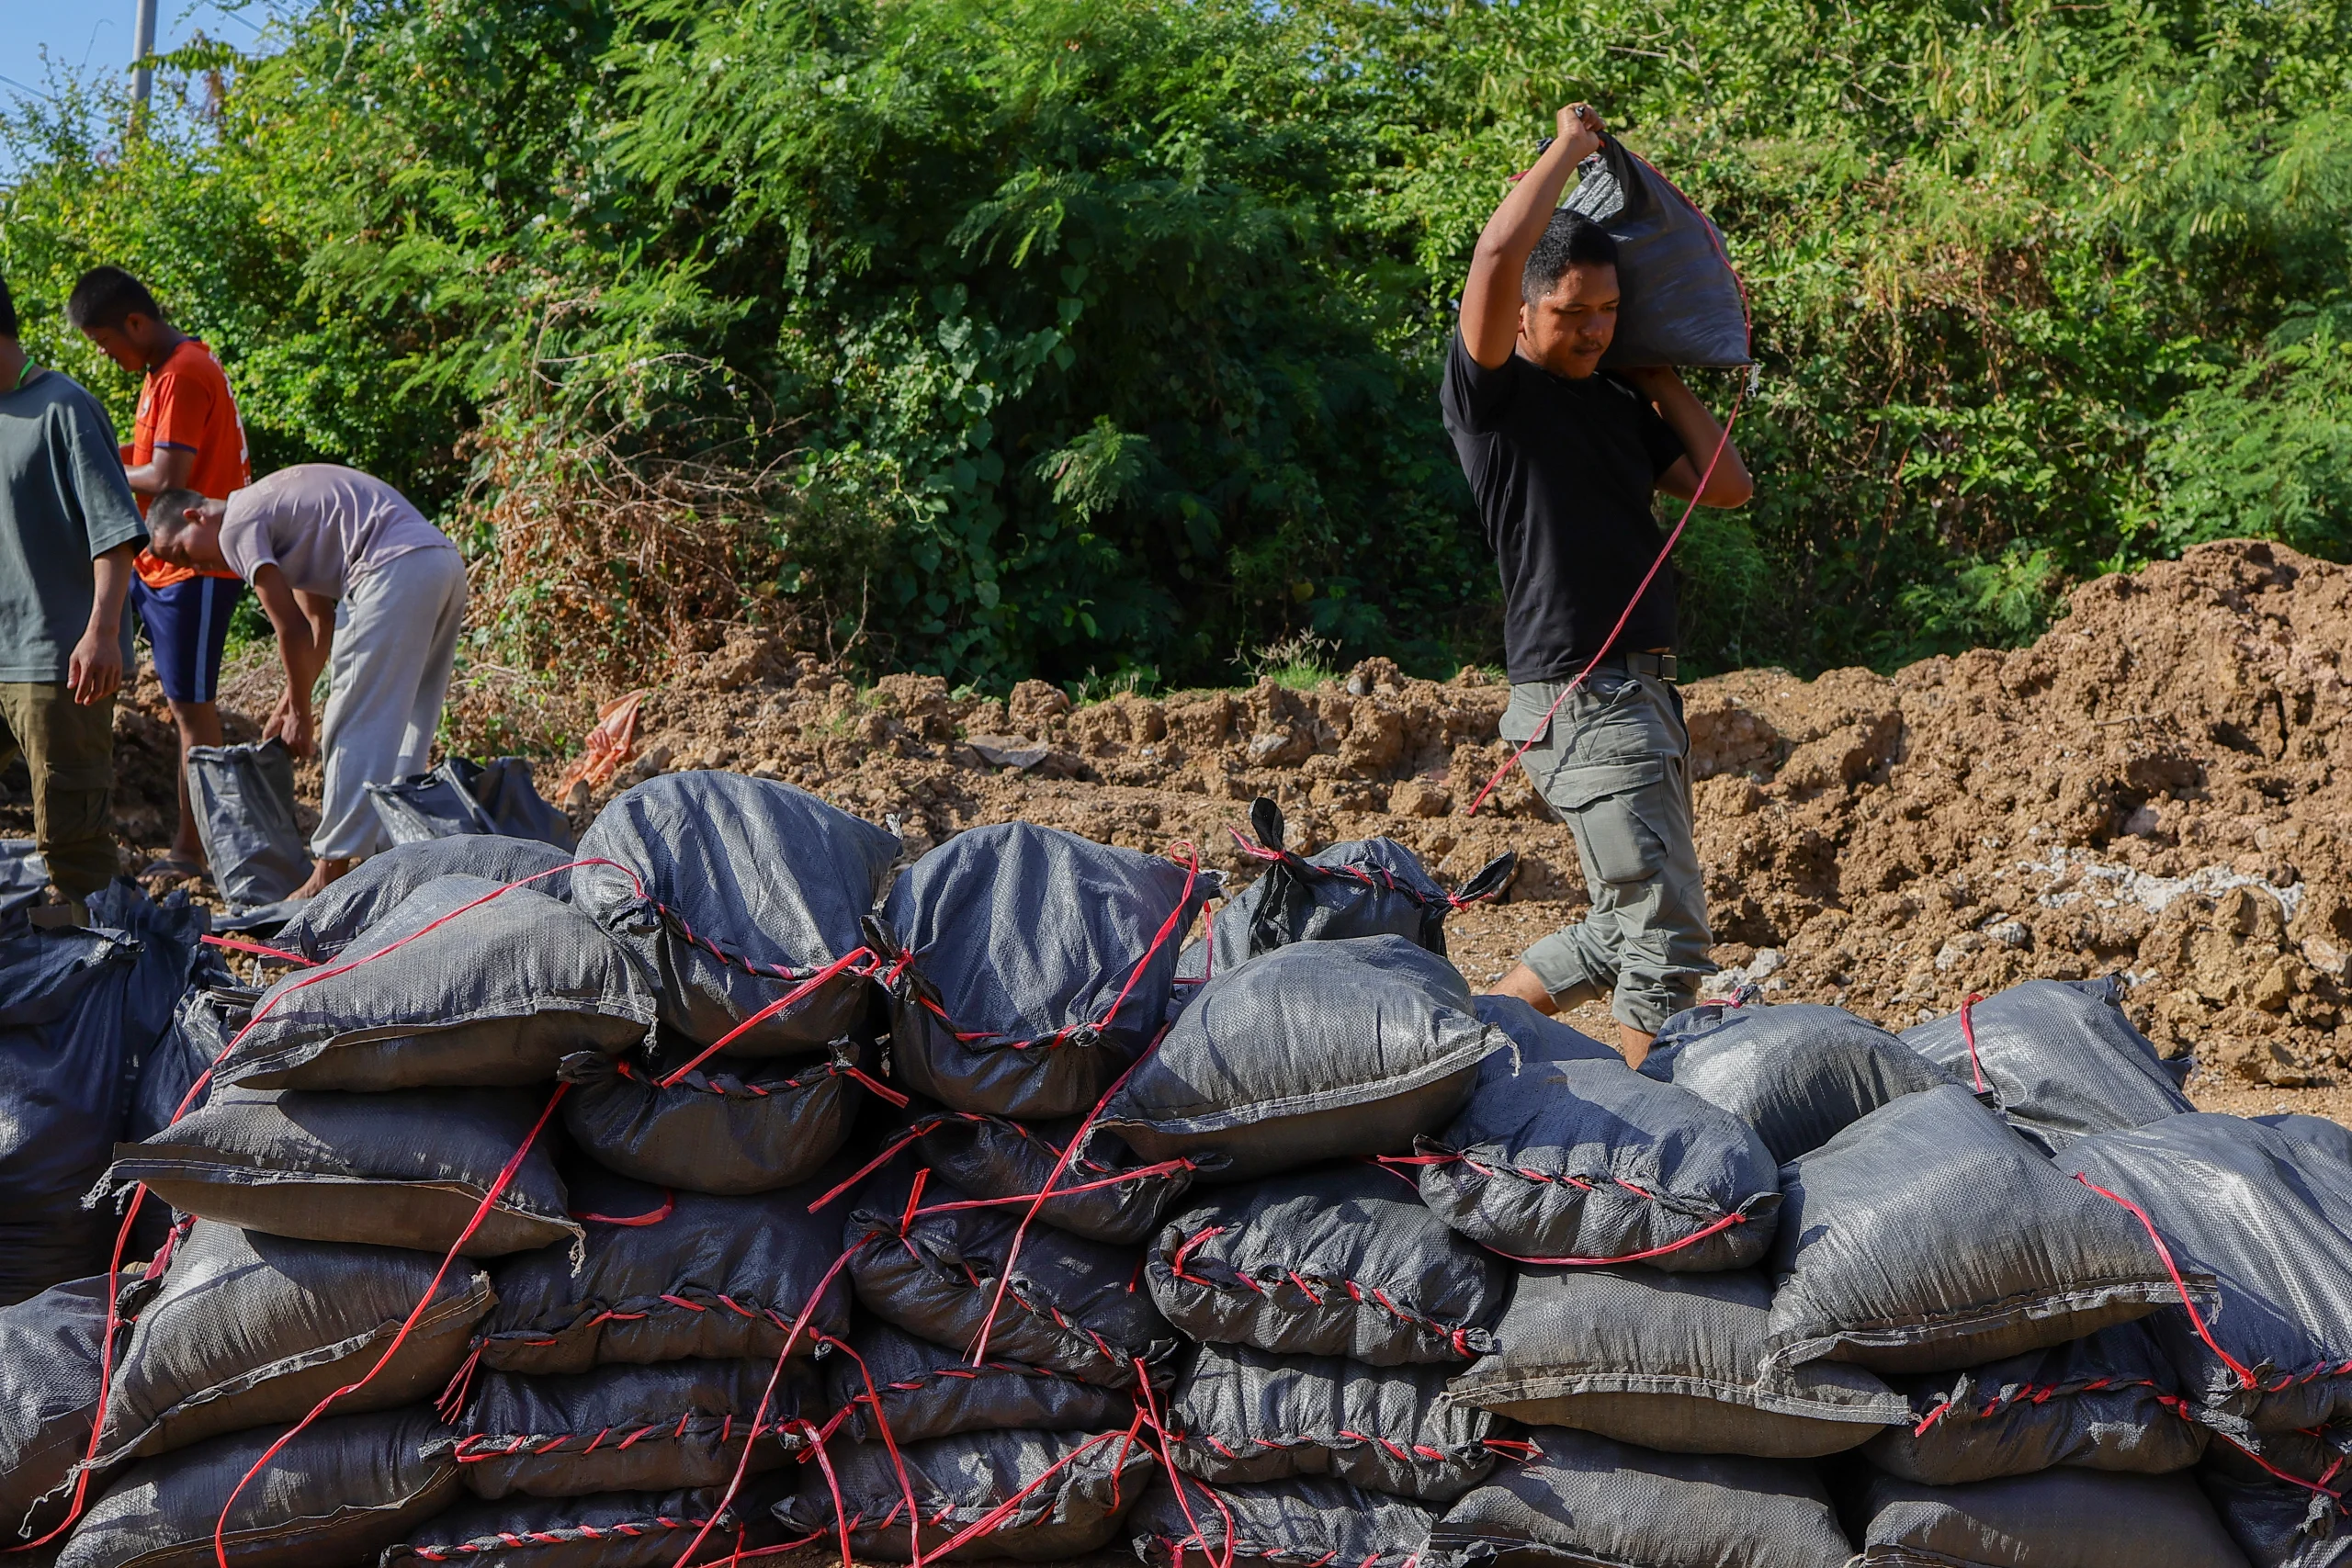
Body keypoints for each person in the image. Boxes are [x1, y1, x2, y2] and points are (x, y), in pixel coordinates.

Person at [1443, 102, 1753, 1068]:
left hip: (1642, 693)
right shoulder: (1495, 398)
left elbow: (1729, 487)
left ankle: (1464, 1055)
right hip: (1585, 695)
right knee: (1666, 942)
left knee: (1624, 929)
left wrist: (1657, 375)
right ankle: (1643, 1143)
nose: (1588, 333)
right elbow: (1496, 258)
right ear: (1528, 311)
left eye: (1606, 314)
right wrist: (1568, 150)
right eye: (1569, 313)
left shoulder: (1618, 402)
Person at [143, 464, 466, 899]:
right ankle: (399, 857)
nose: (193, 566)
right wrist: (288, 701)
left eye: (182, 554)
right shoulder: (275, 509)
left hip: (387, 568)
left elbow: (291, 629)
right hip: (440, 562)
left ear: (195, 516)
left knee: (352, 725)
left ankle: (329, 872)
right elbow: (319, 622)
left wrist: (302, 711)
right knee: (411, 718)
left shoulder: (237, 525)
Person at [67, 265, 253, 883]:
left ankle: (195, 850)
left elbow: (168, 480)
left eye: (106, 343)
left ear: (136, 323)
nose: (107, 355)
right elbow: (147, 460)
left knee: (193, 711)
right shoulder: (161, 373)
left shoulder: (182, 374)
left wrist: (96, 473)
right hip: (161, 564)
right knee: (180, 704)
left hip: (195, 569)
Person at [0, 274, 149, 921]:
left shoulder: (63, 406)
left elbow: (113, 534)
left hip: (58, 662)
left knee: (72, 842)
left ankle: (121, 985)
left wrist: (103, 631)